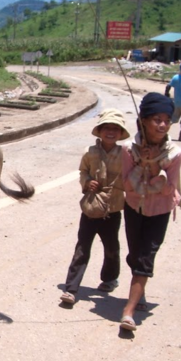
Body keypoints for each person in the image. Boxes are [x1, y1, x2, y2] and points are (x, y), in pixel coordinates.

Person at [119, 92, 181, 332]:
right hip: (134, 207)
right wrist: (140, 165)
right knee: (135, 254)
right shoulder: (127, 150)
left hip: (159, 211)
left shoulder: (175, 154)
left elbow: (167, 189)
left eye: (167, 120)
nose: (163, 125)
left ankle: (128, 311)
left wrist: (154, 166)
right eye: (157, 119)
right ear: (144, 121)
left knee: (146, 258)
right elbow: (127, 186)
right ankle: (139, 284)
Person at [60, 109, 130, 305]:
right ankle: (71, 288)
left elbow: (131, 174)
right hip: (90, 209)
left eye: (115, 129)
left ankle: (109, 279)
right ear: (99, 131)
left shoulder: (126, 154)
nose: (111, 132)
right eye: (107, 128)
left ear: (120, 133)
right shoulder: (89, 153)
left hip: (113, 209)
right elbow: (82, 171)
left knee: (111, 247)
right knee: (82, 247)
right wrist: (87, 181)